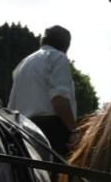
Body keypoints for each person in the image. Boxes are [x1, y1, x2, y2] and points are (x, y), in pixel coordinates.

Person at [9, 25, 78, 157]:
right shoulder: (58, 57)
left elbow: (12, 105)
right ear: (66, 46)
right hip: (51, 132)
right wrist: (74, 131)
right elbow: (59, 100)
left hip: (23, 130)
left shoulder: (23, 63)